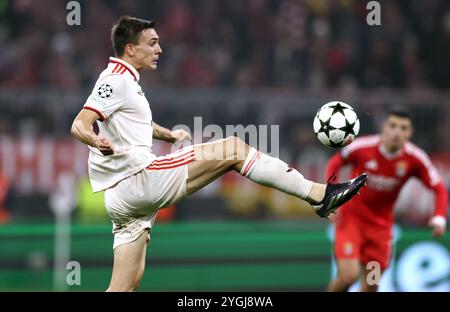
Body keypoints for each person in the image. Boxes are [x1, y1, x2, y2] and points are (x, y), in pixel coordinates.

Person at [70, 16, 367, 292]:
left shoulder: (126, 81)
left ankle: (319, 196)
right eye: (152, 43)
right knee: (234, 149)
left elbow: (135, 125)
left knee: (124, 287)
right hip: (138, 180)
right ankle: (318, 194)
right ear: (130, 49)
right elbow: (80, 124)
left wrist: (168, 134)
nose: (159, 49)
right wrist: (95, 141)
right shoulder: (115, 80)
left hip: (122, 197)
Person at [326, 106, 448, 292]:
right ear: (383, 127)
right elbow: (335, 162)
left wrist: (439, 216)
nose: (397, 132)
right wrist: (332, 197)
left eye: (403, 128)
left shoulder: (415, 159)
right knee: (348, 275)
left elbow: (438, 187)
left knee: (371, 283)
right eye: (393, 125)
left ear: (410, 133)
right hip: (352, 222)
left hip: (380, 231)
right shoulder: (362, 147)